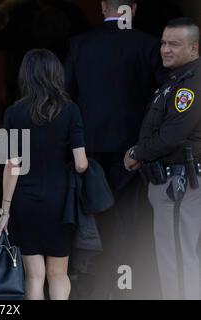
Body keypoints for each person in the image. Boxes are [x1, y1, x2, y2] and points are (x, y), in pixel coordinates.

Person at [64, 0, 168, 299]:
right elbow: (164, 96)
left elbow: (67, 95)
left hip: (90, 147)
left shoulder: (80, 44)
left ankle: (98, 283)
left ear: (102, 8)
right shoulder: (148, 45)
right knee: (129, 217)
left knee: (96, 215)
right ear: (134, 8)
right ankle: (127, 285)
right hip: (133, 148)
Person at [0, 49, 88, 300]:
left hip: (26, 202)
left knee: (34, 276)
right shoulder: (70, 110)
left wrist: (5, 211)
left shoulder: (14, 113)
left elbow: (12, 165)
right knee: (58, 274)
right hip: (60, 202)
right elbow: (81, 163)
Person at [124, 18, 201, 300]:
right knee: (173, 259)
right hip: (170, 181)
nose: (165, 50)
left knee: (178, 260)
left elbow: (174, 135)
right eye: (164, 43)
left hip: (180, 183)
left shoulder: (191, 85)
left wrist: (136, 153)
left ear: (194, 48)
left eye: (174, 44)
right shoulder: (177, 79)